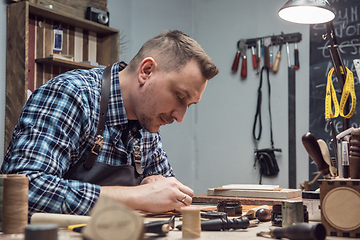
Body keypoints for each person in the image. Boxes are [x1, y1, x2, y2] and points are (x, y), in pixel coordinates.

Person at [1, 30, 219, 218]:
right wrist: (139, 196)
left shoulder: (148, 125)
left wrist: (168, 192)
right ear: (146, 71)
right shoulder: (72, 95)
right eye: (180, 96)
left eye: (189, 105)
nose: (180, 116)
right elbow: (22, 191)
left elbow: (165, 191)